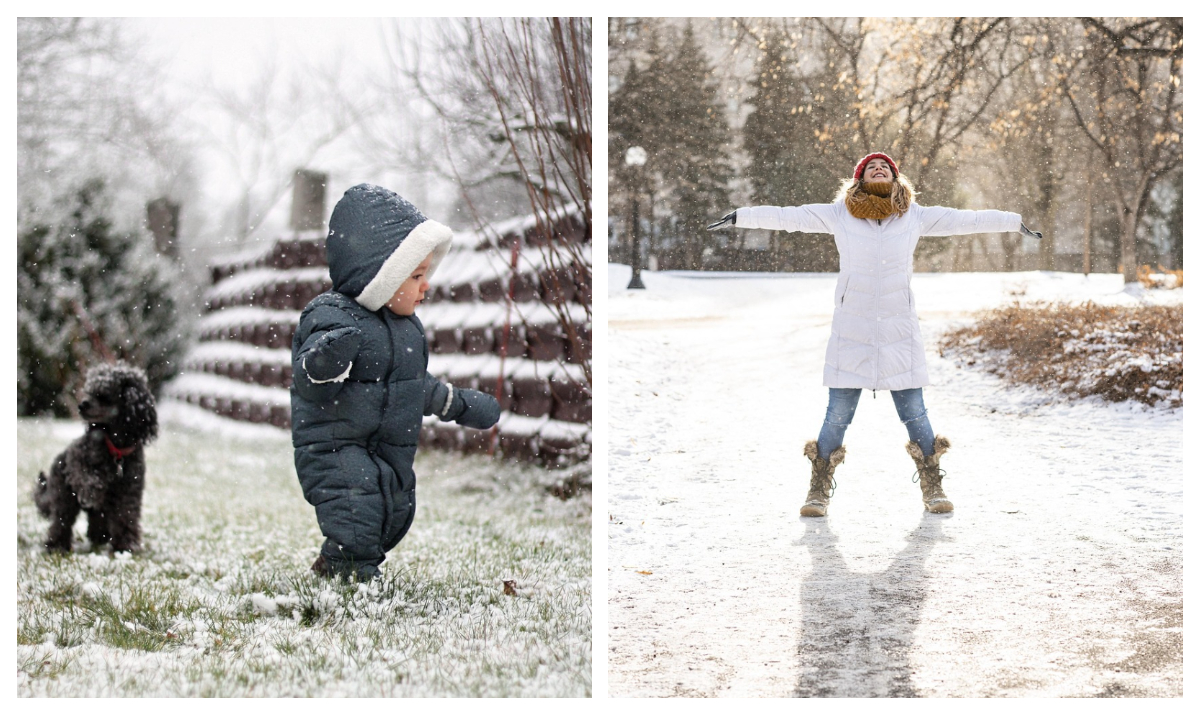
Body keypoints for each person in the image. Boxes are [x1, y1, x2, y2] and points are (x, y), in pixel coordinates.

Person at [708, 153, 1041, 518]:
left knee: (914, 411)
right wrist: (742, 215)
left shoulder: (914, 215)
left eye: (885, 167)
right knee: (837, 414)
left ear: (896, 177)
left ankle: (933, 487)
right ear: (859, 179)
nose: (878, 168)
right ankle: (818, 491)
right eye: (871, 167)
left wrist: (1014, 222)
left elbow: (966, 220)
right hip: (853, 328)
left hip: (899, 329)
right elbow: (791, 216)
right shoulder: (839, 214)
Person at [291, 184, 500, 580]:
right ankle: (355, 579)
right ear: (379, 277)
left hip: (386, 445)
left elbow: (411, 385)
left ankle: (334, 564)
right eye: (416, 275)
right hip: (334, 444)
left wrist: (456, 403)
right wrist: (327, 359)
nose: (426, 285)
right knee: (357, 508)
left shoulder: (406, 330)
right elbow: (309, 381)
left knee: (393, 508)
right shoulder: (331, 317)